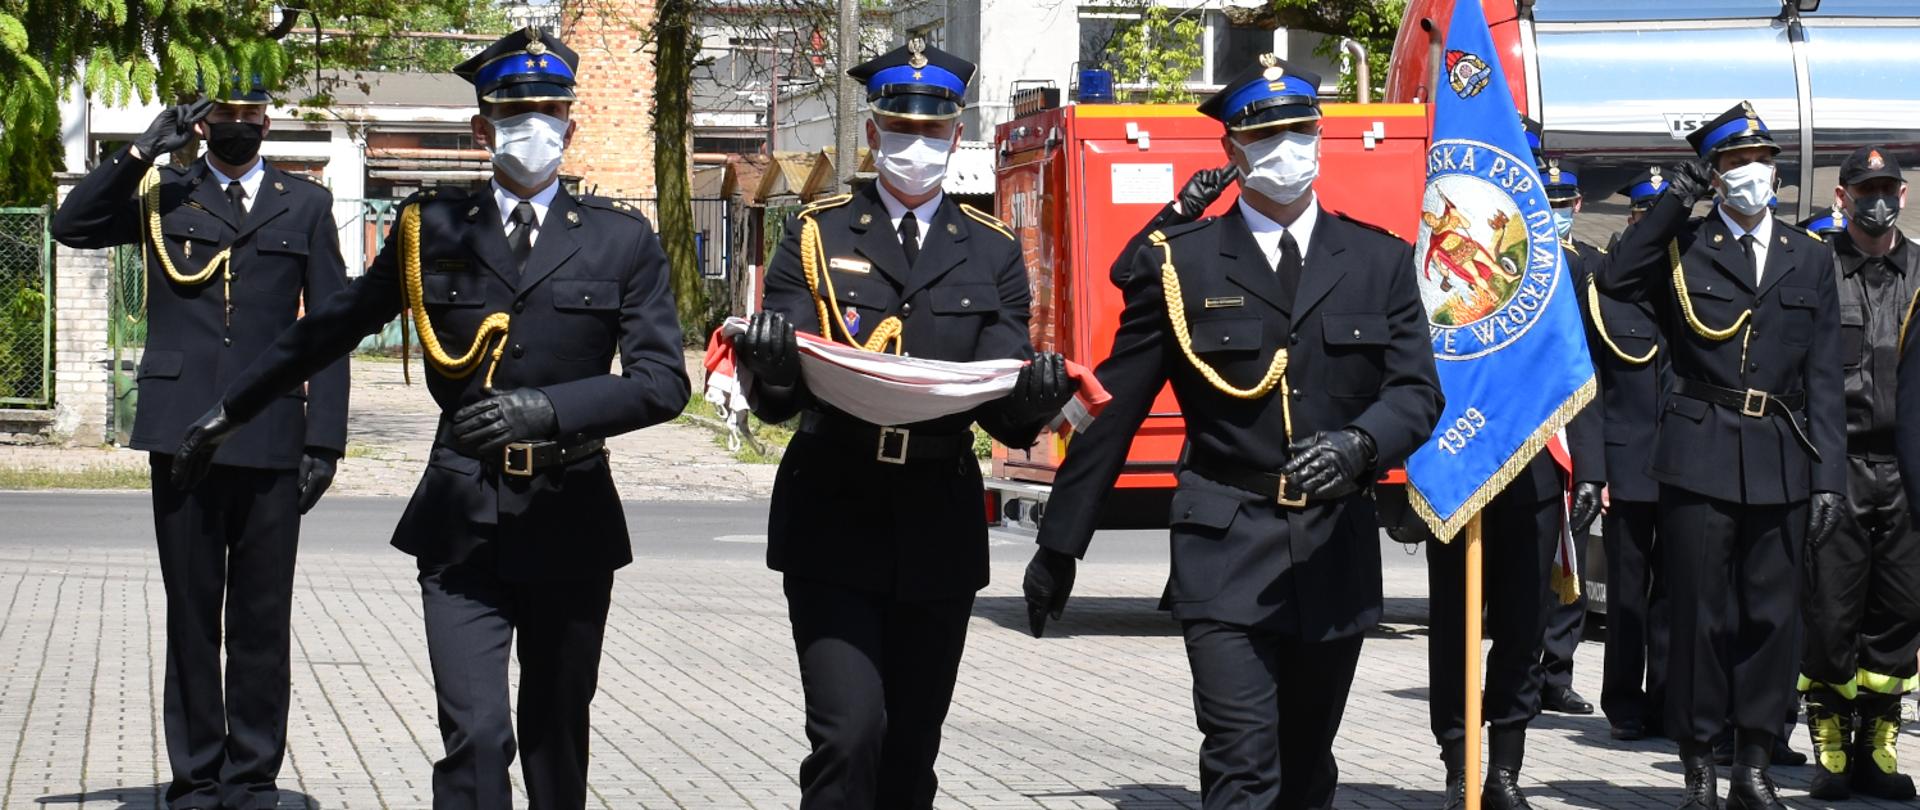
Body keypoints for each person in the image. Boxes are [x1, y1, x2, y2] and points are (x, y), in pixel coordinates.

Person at [168, 28, 691, 808]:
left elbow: (661, 382)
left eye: (550, 110)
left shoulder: (623, 240)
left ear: (572, 126)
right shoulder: (432, 227)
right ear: (483, 129)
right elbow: (329, 326)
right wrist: (230, 408)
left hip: (570, 513)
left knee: (554, 735)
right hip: (462, 516)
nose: (534, 126)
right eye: (515, 112)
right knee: (476, 735)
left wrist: (545, 409)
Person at [1022, 55, 1444, 810]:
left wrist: (1362, 445)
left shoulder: (1380, 259)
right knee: (1241, 764)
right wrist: (1060, 544)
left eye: (1301, 131)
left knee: (1305, 767)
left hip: (1331, 548)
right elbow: (1116, 407)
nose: (1289, 148)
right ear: (1233, 151)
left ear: (1321, 139)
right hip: (1223, 543)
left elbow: (1416, 392)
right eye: (1267, 134)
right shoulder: (1183, 265)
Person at [728, 37, 1073, 809]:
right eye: (900, 129)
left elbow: (1002, 406)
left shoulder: (989, 251)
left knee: (911, 750)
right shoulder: (816, 233)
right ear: (875, 134)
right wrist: (774, 362)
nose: (917, 146)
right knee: (848, 737)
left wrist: (1039, 395)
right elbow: (778, 401)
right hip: (833, 506)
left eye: (933, 131)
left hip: (936, 515)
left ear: (956, 136)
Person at [50, 78, 348, 810]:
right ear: (204, 123)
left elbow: (333, 327)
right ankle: (196, 776)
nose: (239, 127)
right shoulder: (166, 194)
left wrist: (327, 441)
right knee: (191, 613)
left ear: (268, 123)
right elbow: (72, 225)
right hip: (181, 431)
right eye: (226, 116)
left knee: (260, 618)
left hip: (274, 430)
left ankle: (251, 778)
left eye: (251, 116)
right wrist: (140, 152)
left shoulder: (304, 204)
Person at [1602, 101, 1845, 810]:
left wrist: (1828, 476)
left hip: (1780, 450)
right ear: (1714, 174)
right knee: (1699, 615)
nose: (1753, 174)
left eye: (1762, 160)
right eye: (1736, 163)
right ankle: (1699, 761)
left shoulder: (1811, 256)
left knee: (1773, 618)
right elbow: (1616, 280)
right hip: (1699, 445)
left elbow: (1825, 376)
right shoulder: (1686, 246)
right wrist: (1677, 201)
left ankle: (1755, 762)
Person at [1799, 145, 1920, 801]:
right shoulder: (1816, 272)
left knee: (1900, 612)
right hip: (1835, 466)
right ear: (1841, 197)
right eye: (1864, 187)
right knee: (1829, 614)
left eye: (1887, 187)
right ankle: (1832, 744)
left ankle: (1879, 742)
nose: (1878, 197)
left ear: (1902, 196)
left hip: (1905, 472)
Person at [1587, 168, 1675, 741]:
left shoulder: (1681, 284)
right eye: (1646, 215)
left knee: (1676, 591)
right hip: (1627, 463)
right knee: (1626, 596)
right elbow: (1590, 388)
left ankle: (1669, 700)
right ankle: (1623, 700)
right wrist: (1597, 471)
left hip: (1686, 461)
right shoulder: (1603, 287)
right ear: (1633, 219)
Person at [1535, 155, 1600, 719]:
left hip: (1574, 418)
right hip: (1530, 420)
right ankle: (1525, 670)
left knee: (1571, 553)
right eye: (1547, 203)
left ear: (1577, 206)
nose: (1557, 212)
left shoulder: (1589, 267)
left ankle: (1559, 672)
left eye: (1563, 204)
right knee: (1533, 558)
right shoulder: (1525, 264)